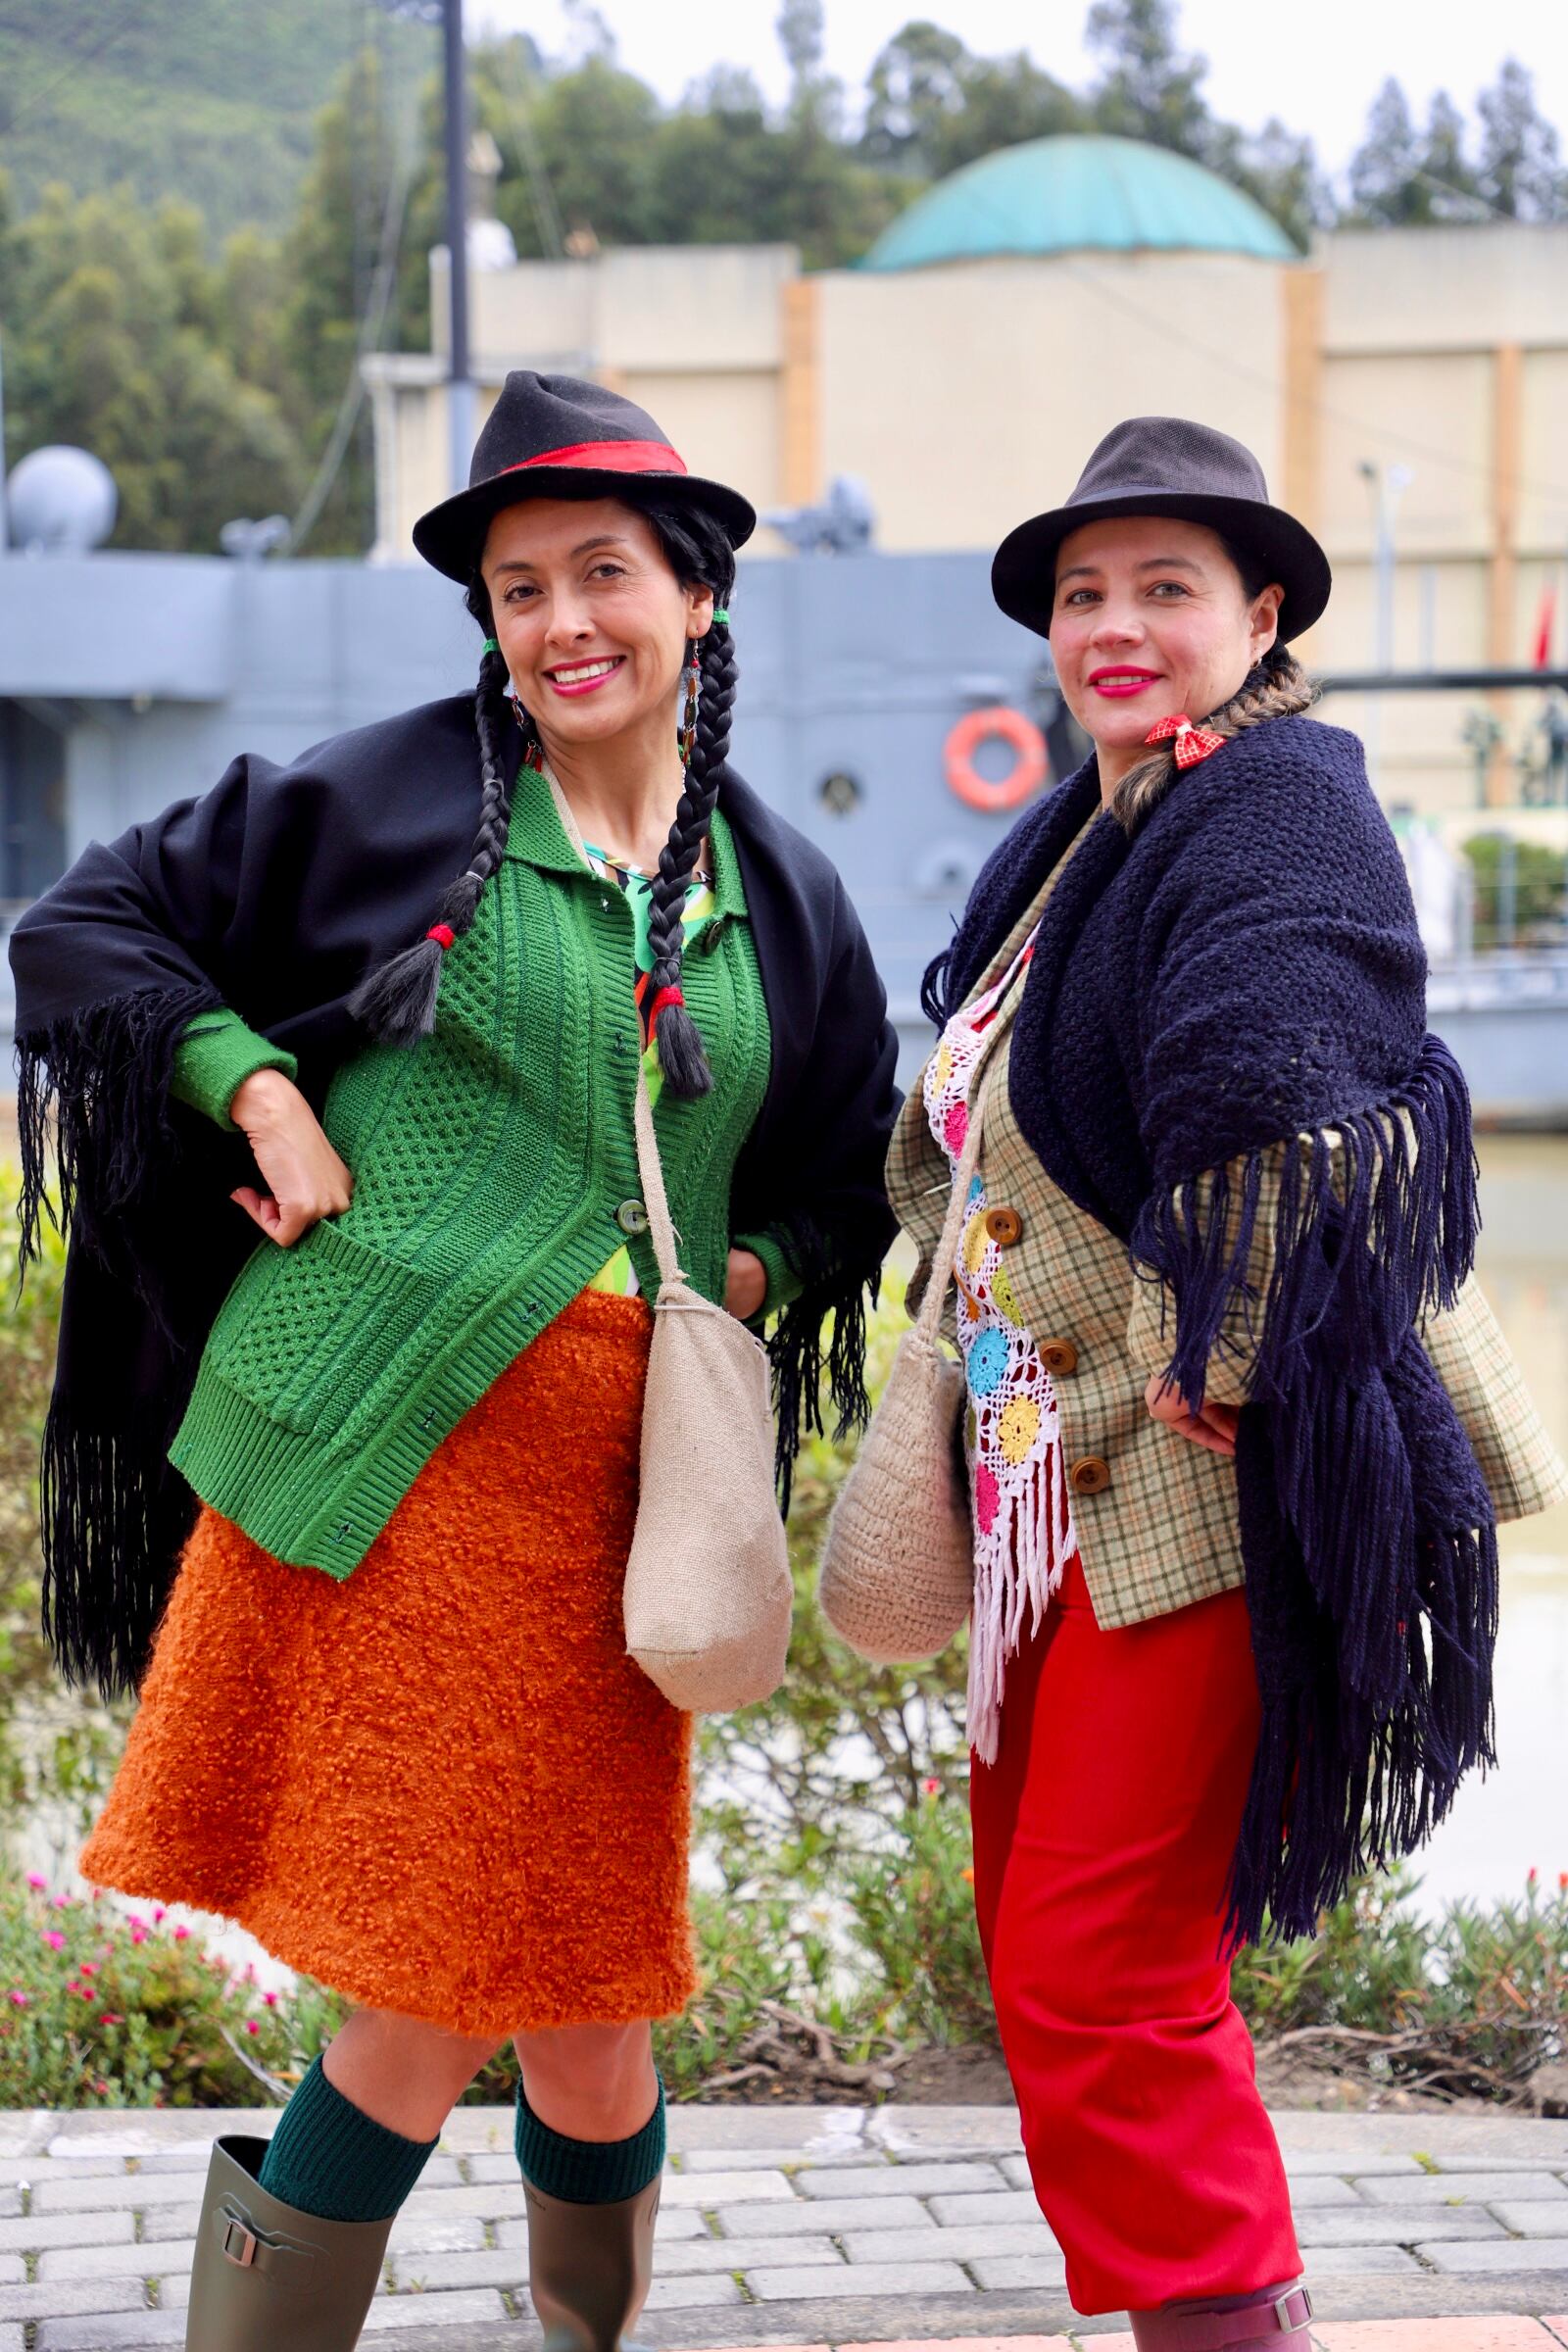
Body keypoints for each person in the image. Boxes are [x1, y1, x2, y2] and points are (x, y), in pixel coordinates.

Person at [9, 372, 899, 2352]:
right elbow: (89, 929)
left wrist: (735, 1281)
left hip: (621, 1514)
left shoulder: (784, 896)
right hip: (388, 1468)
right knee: (423, 1979)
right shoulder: (385, 797)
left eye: (604, 575)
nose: (564, 622)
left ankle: (588, 2327)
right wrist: (257, 1095)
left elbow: (844, 1175)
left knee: (590, 2007)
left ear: (698, 602)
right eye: (519, 589)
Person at [883, 416, 1568, 2349]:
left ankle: (1222, 2331)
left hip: (1193, 1460)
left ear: (1257, 612)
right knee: (1058, 1954)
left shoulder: (1271, 801)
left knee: (1099, 1966)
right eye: (1080, 595)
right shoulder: (1089, 831)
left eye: (1160, 588)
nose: (1111, 625)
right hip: (1056, 1484)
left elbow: (1276, 1036)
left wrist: (1236, 1315)